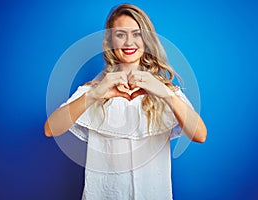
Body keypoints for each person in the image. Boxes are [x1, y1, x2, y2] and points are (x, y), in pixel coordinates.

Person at [44, 3, 207, 200]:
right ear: (110, 41)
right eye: (120, 34)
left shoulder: (165, 92)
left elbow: (200, 135)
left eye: (137, 34)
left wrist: (165, 93)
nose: (129, 42)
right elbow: (50, 129)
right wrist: (95, 94)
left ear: (146, 40)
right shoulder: (93, 90)